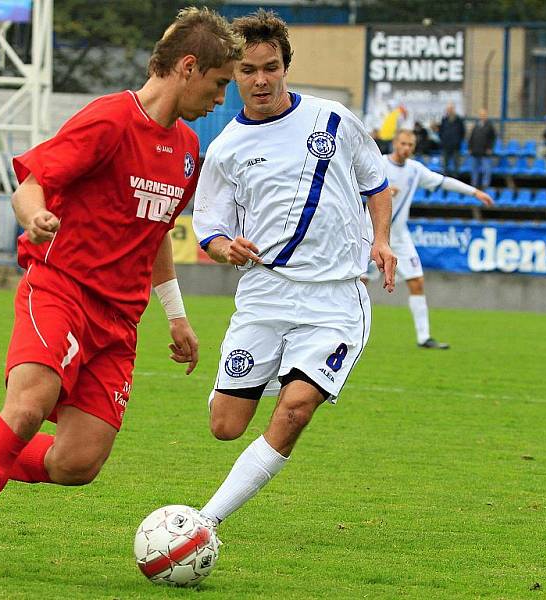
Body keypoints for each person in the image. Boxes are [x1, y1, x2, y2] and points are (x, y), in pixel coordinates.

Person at [0, 7, 243, 587]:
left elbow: (157, 232)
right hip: (60, 290)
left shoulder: (188, 148)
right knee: (27, 408)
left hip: (118, 321)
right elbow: (30, 183)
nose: (223, 97)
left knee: (77, 463)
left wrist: (176, 316)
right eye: (220, 83)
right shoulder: (109, 121)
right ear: (189, 67)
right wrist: (36, 215)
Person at [191, 10, 396, 530]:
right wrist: (224, 249)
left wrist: (382, 239)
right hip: (265, 294)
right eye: (248, 70)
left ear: (286, 67)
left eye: (271, 67)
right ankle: (272, 373)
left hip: (334, 298)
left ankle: (203, 522)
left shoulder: (332, 120)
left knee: (295, 410)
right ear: (233, 73)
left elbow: (376, 182)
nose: (260, 79)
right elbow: (208, 227)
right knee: (225, 425)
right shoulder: (224, 149)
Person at [371, 129, 493, 349]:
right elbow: (355, 188)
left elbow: (444, 182)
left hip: (398, 236)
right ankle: (344, 333)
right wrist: (382, 191)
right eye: (403, 143)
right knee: (357, 282)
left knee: (417, 281)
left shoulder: (415, 170)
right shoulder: (378, 163)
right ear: (394, 143)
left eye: (410, 145)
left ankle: (424, 337)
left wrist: (475, 192)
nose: (406, 148)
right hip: (369, 234)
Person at [467, 108, 496, 189]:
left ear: (486, 116)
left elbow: (493, 138)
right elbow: (471, 138)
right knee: (474, 170)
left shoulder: (490, 126)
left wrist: (490, 148)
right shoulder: (476, 126)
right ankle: (474, 184)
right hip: (475, 152)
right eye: (481, 115)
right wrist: (470, 148)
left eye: (484, 115)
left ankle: (485, 184)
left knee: (486, 170)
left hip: (485, 153)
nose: (482, 116)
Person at [439, 103, 465, 176]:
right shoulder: (444, 119)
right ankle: (444, 182)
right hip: (446, 147)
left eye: (451, 109)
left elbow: (462, 133)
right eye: (448, 109)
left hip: (456, 147)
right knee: (444, 166)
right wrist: (443, 141)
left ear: (454, 109)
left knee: (456, 166)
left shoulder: (459, 120)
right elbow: (441, 132)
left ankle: (455, 181)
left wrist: (457, 141)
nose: (449, 111)